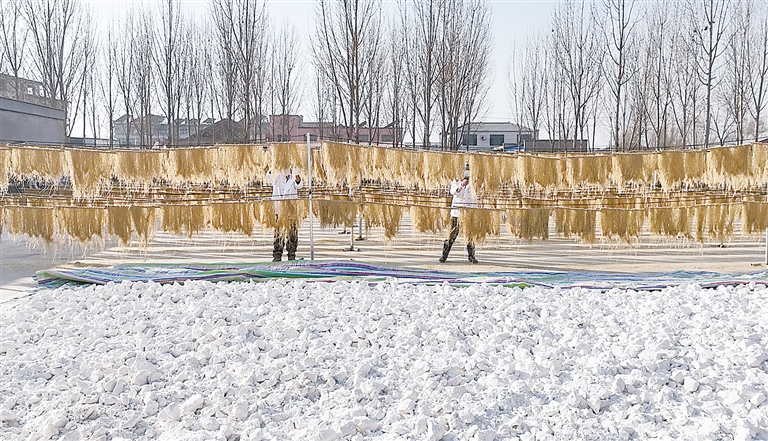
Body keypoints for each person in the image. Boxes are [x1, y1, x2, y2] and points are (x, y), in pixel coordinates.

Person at [266, 167, 304, 261]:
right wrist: (274, 166)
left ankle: (291, 254)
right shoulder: (276, 175)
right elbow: (269, 176)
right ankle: (277, 255)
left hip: (291, 207)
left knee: (292, 231)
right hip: (279, 208)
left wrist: (296, 174)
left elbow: (299, 185)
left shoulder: (293, 176)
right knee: (278, 232)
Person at [439, 173, 478, 264]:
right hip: (457, 213)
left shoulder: (474, 182)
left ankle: (471, 256)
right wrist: (461, 185)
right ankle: (444, 255)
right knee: (451, 234)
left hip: (468, 212)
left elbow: (476, 196)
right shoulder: (456, 181)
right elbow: (453, 192)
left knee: (469, 235)